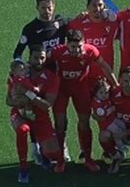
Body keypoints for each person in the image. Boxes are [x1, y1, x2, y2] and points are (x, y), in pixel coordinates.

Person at [48, 29, 118, 173]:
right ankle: (60, 160)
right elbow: (43, 65)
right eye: (73, 47)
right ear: (67, 45)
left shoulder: (91, 51)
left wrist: (116, 86)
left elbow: (104, 66)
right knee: (60, 123)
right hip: (61, 90)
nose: (77, 50)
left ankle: (88, 158)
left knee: (84, 122)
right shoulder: (57, 52)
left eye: (79, 46)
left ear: (84, 43)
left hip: (81, 89)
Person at [12, 0, 69, 163]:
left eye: (49, 7)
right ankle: (35, 146)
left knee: (60, 113)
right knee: (34, 112)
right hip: (35, 78)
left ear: (54, 6)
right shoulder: (30, 29)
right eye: (43, 8)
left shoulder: (61, 22)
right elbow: (17, 53)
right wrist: (20, 70)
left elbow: (78, 24)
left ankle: (62, 144)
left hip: (56, 77)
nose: (46, 11)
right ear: (37, 8)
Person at [6, 45, 65, 183]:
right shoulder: (19, 72)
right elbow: (8, 100)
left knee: (54, 154)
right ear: (29, 57)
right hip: (20, 112)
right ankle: (23, 168)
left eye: (42, 58)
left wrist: (28, 95)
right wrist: (19, 101)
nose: (39, 61)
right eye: (35, 58)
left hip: (40, 115)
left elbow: (46, 105)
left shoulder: (52, 77)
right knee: (23, 130)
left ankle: (42, 153)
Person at [90, 78, 127, 152]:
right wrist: (111, 109)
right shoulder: (96, 103)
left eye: (106, 92)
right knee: (117, 131)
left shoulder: (106, 99)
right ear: (96, 93)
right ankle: (120, 146)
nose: (104, 95)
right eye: (101, 93)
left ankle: (125, 140)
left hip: (112, 119)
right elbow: (102, 114)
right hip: (107, 124)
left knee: (123, 125)